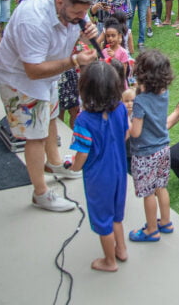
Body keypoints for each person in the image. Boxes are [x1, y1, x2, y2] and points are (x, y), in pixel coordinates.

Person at [0, 0, 98, 211]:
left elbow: (82, 30)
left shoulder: (72, 5)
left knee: (49, 116)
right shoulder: (33, 20)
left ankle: (55, 163)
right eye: (77, 13)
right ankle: (40, 193)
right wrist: (74, 61)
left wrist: (89, 32)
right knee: (35, 134)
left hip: (48, 72)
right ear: (59, 2)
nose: (82, 17)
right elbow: (33, 70)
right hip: (20, 79)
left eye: (85, 13)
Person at [68, 61, 129, 272]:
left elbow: (82, 153)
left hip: (98, 178)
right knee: (116, 215)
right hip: (120, 172)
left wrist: (74, 167)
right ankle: (121, 250)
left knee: (103, 220)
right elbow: (125, 134)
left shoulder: (83, 120)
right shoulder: (120, 109)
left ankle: (109, 261)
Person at [127, 50, 175, 242]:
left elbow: (136, 132)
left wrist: (126, 120)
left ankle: (151, 230)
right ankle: (165, 222)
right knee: (161, 187)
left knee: (148, 194)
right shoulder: (164, 93)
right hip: (163, 148)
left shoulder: (139, 101)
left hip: (145, 153)